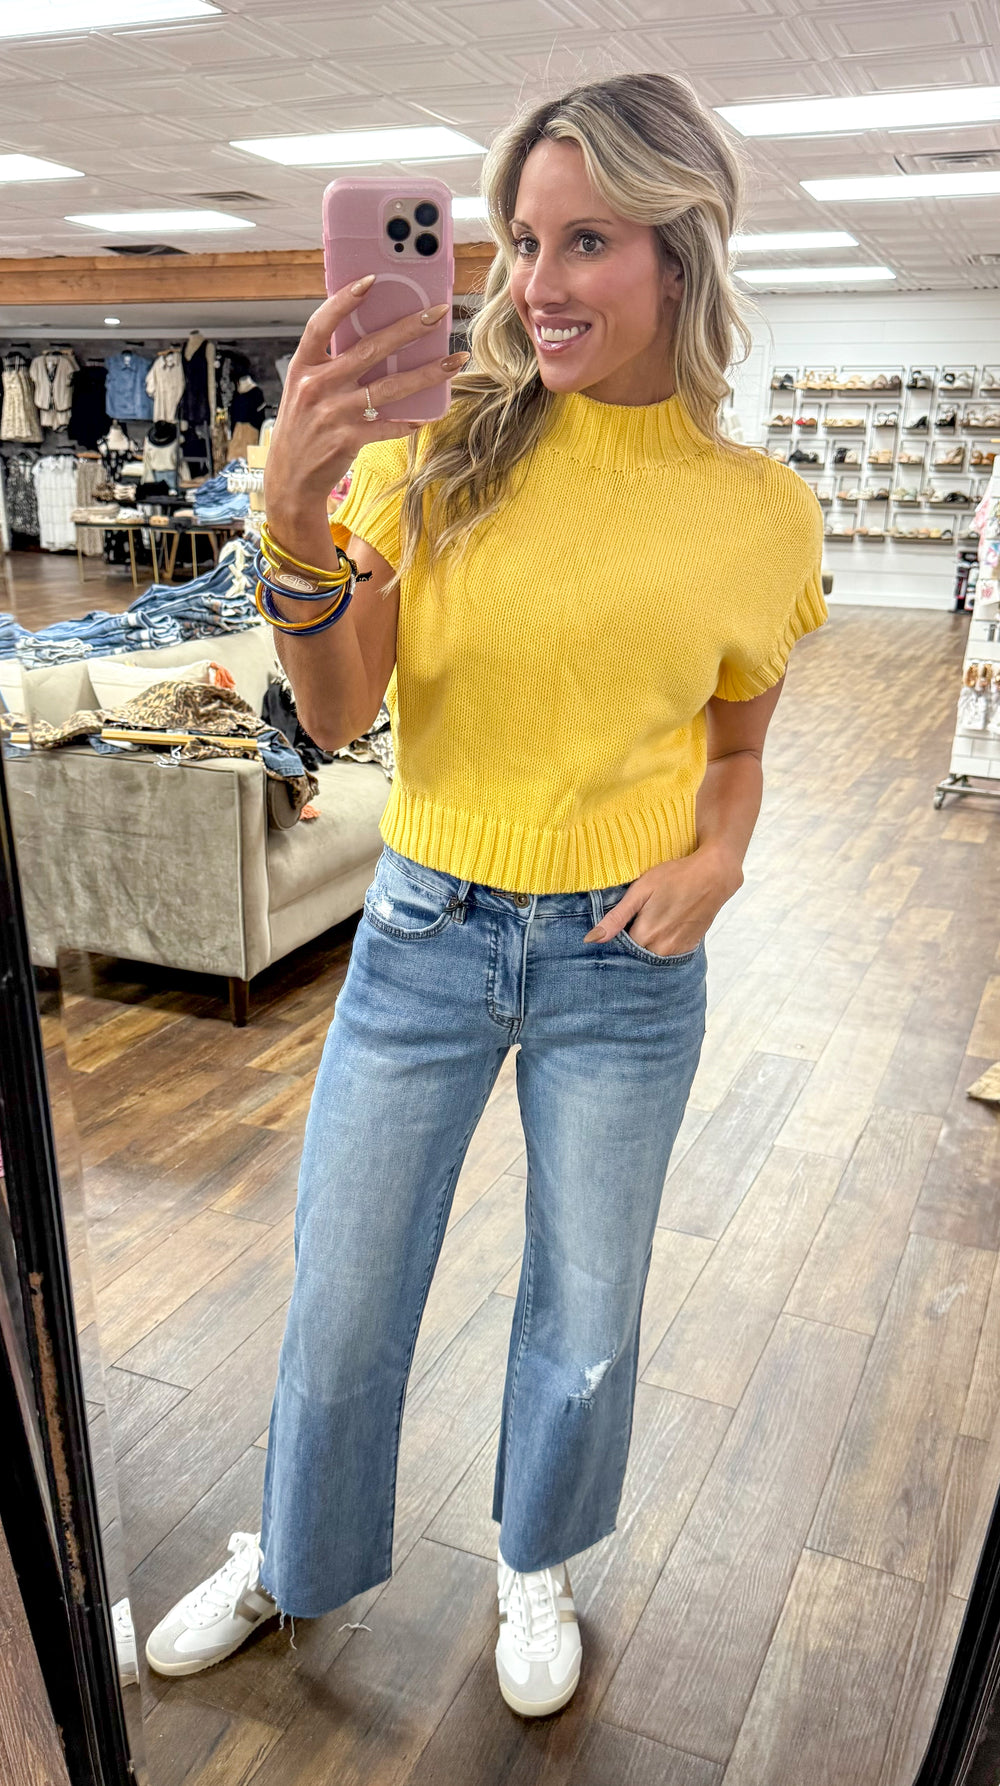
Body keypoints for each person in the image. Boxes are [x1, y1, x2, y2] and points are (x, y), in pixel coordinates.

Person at [145, 70, 826, 1716]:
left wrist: (719, 857)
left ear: (679, 252)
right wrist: (292, 511)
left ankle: (539, 1553)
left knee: (587, 1308)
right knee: (344, 1291)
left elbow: (737, 749)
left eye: (586, 241)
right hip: (426, 931)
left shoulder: (759, 514)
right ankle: (297, 1555)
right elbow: (332, 712)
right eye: (521, 239)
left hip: (623, 959)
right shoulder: (435, 444)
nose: (537, 283)